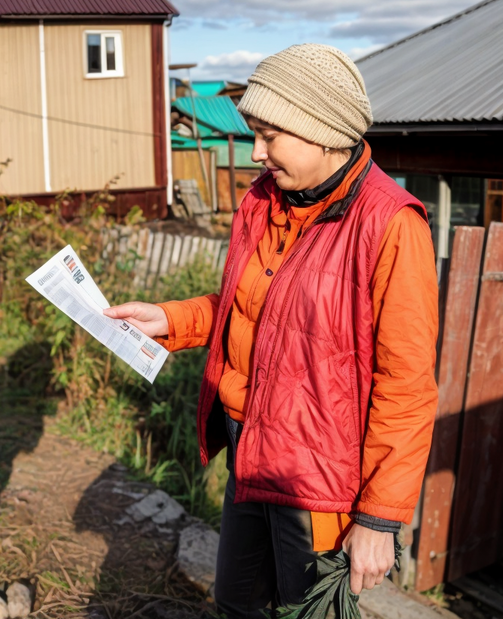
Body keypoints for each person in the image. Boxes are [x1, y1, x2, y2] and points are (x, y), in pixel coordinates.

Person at [105, 44, 438, 617]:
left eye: (270, 135)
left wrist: (379, 518)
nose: (257, 152)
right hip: (250, 449)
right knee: (235, 604)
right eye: (254, 133)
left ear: (323, 130)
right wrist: (171, 319)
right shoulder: (265, 200)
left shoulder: (390, 225)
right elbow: (255, 308)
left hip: (319, 484)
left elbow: (406, 387)